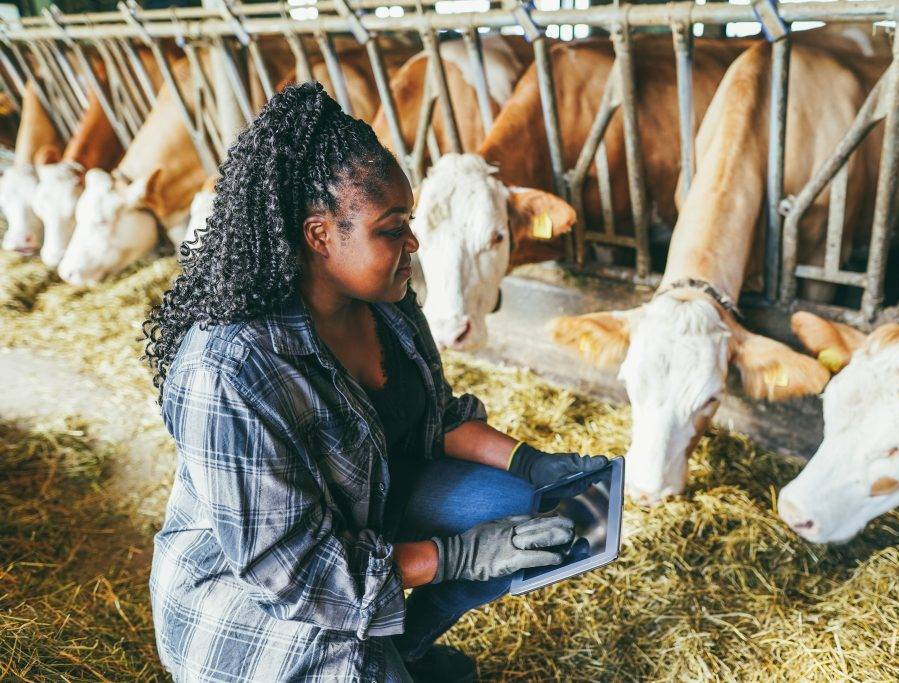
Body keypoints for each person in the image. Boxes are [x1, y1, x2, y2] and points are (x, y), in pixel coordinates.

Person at [143, 82, 609, 682]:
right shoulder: (231, 368)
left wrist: (531, 464)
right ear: (319, 235)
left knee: (521, 508)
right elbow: (292, 574)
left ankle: (405, 645)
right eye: (393, 229)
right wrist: (459, 557)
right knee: (363, 669)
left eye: (409, 221)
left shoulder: (389, 301)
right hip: (248, 597)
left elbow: (434, 418)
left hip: (361, 513)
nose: (412, 243)